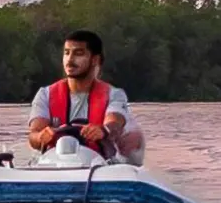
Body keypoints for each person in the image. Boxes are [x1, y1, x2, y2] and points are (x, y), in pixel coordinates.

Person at [27, 29, 144, 165]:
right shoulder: (45, 94)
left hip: (99, 165)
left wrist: (103, 130)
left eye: (78, 54)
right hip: (53, 164)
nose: (70, 60)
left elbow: (115, 122)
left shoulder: (114, 94)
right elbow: (34, 135)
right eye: (66, 53)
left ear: (95, 59)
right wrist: (40, 137)